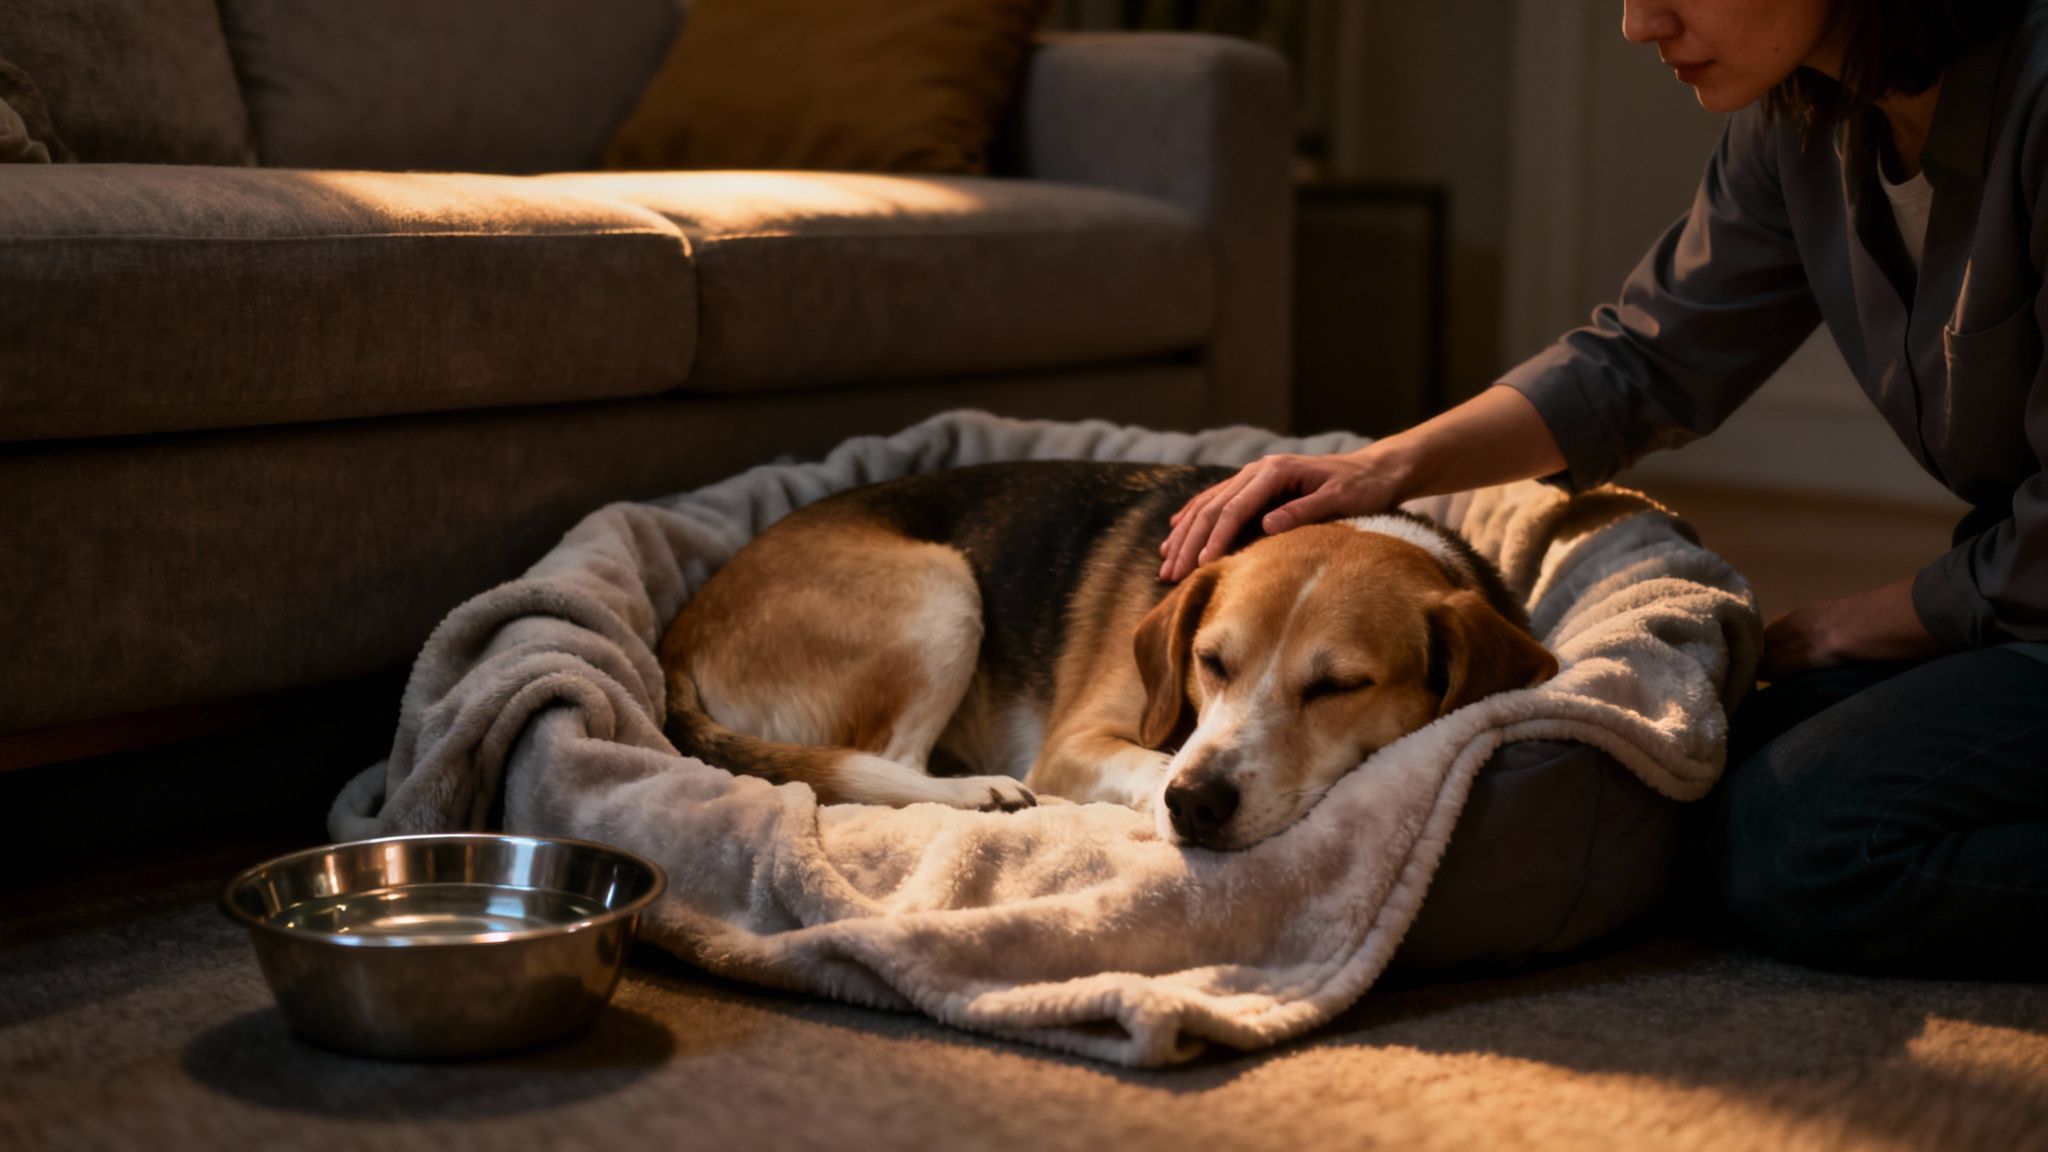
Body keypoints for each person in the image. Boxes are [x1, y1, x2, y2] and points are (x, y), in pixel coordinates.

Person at [1158, 0, 2048, 980]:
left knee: (1802, 845)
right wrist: (1378, 468)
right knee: (1694, 773)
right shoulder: (1801, 121)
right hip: (2015, 593)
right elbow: (1641, 361)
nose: (1636, 22)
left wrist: (1868, 621)